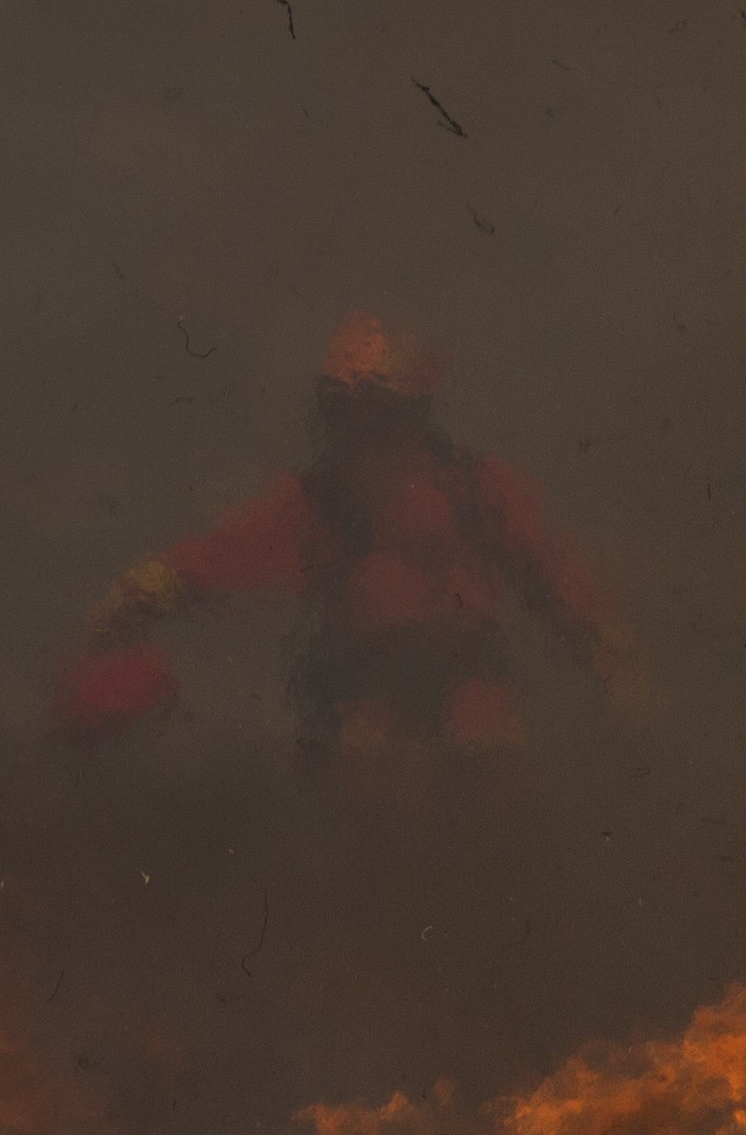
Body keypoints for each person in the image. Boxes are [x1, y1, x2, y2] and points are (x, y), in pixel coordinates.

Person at [61, 312, 642, 793]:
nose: (356, 431)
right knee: (370, 797)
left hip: (471, 680)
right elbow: (227, 552)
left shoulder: (476, 487)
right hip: (366, 690)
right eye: (342, 412)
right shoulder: (319, 501)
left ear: (412, 414)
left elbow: (551, 569)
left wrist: (610, 654)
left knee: (495, 784)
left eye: (373, 413)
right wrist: (144, 589)